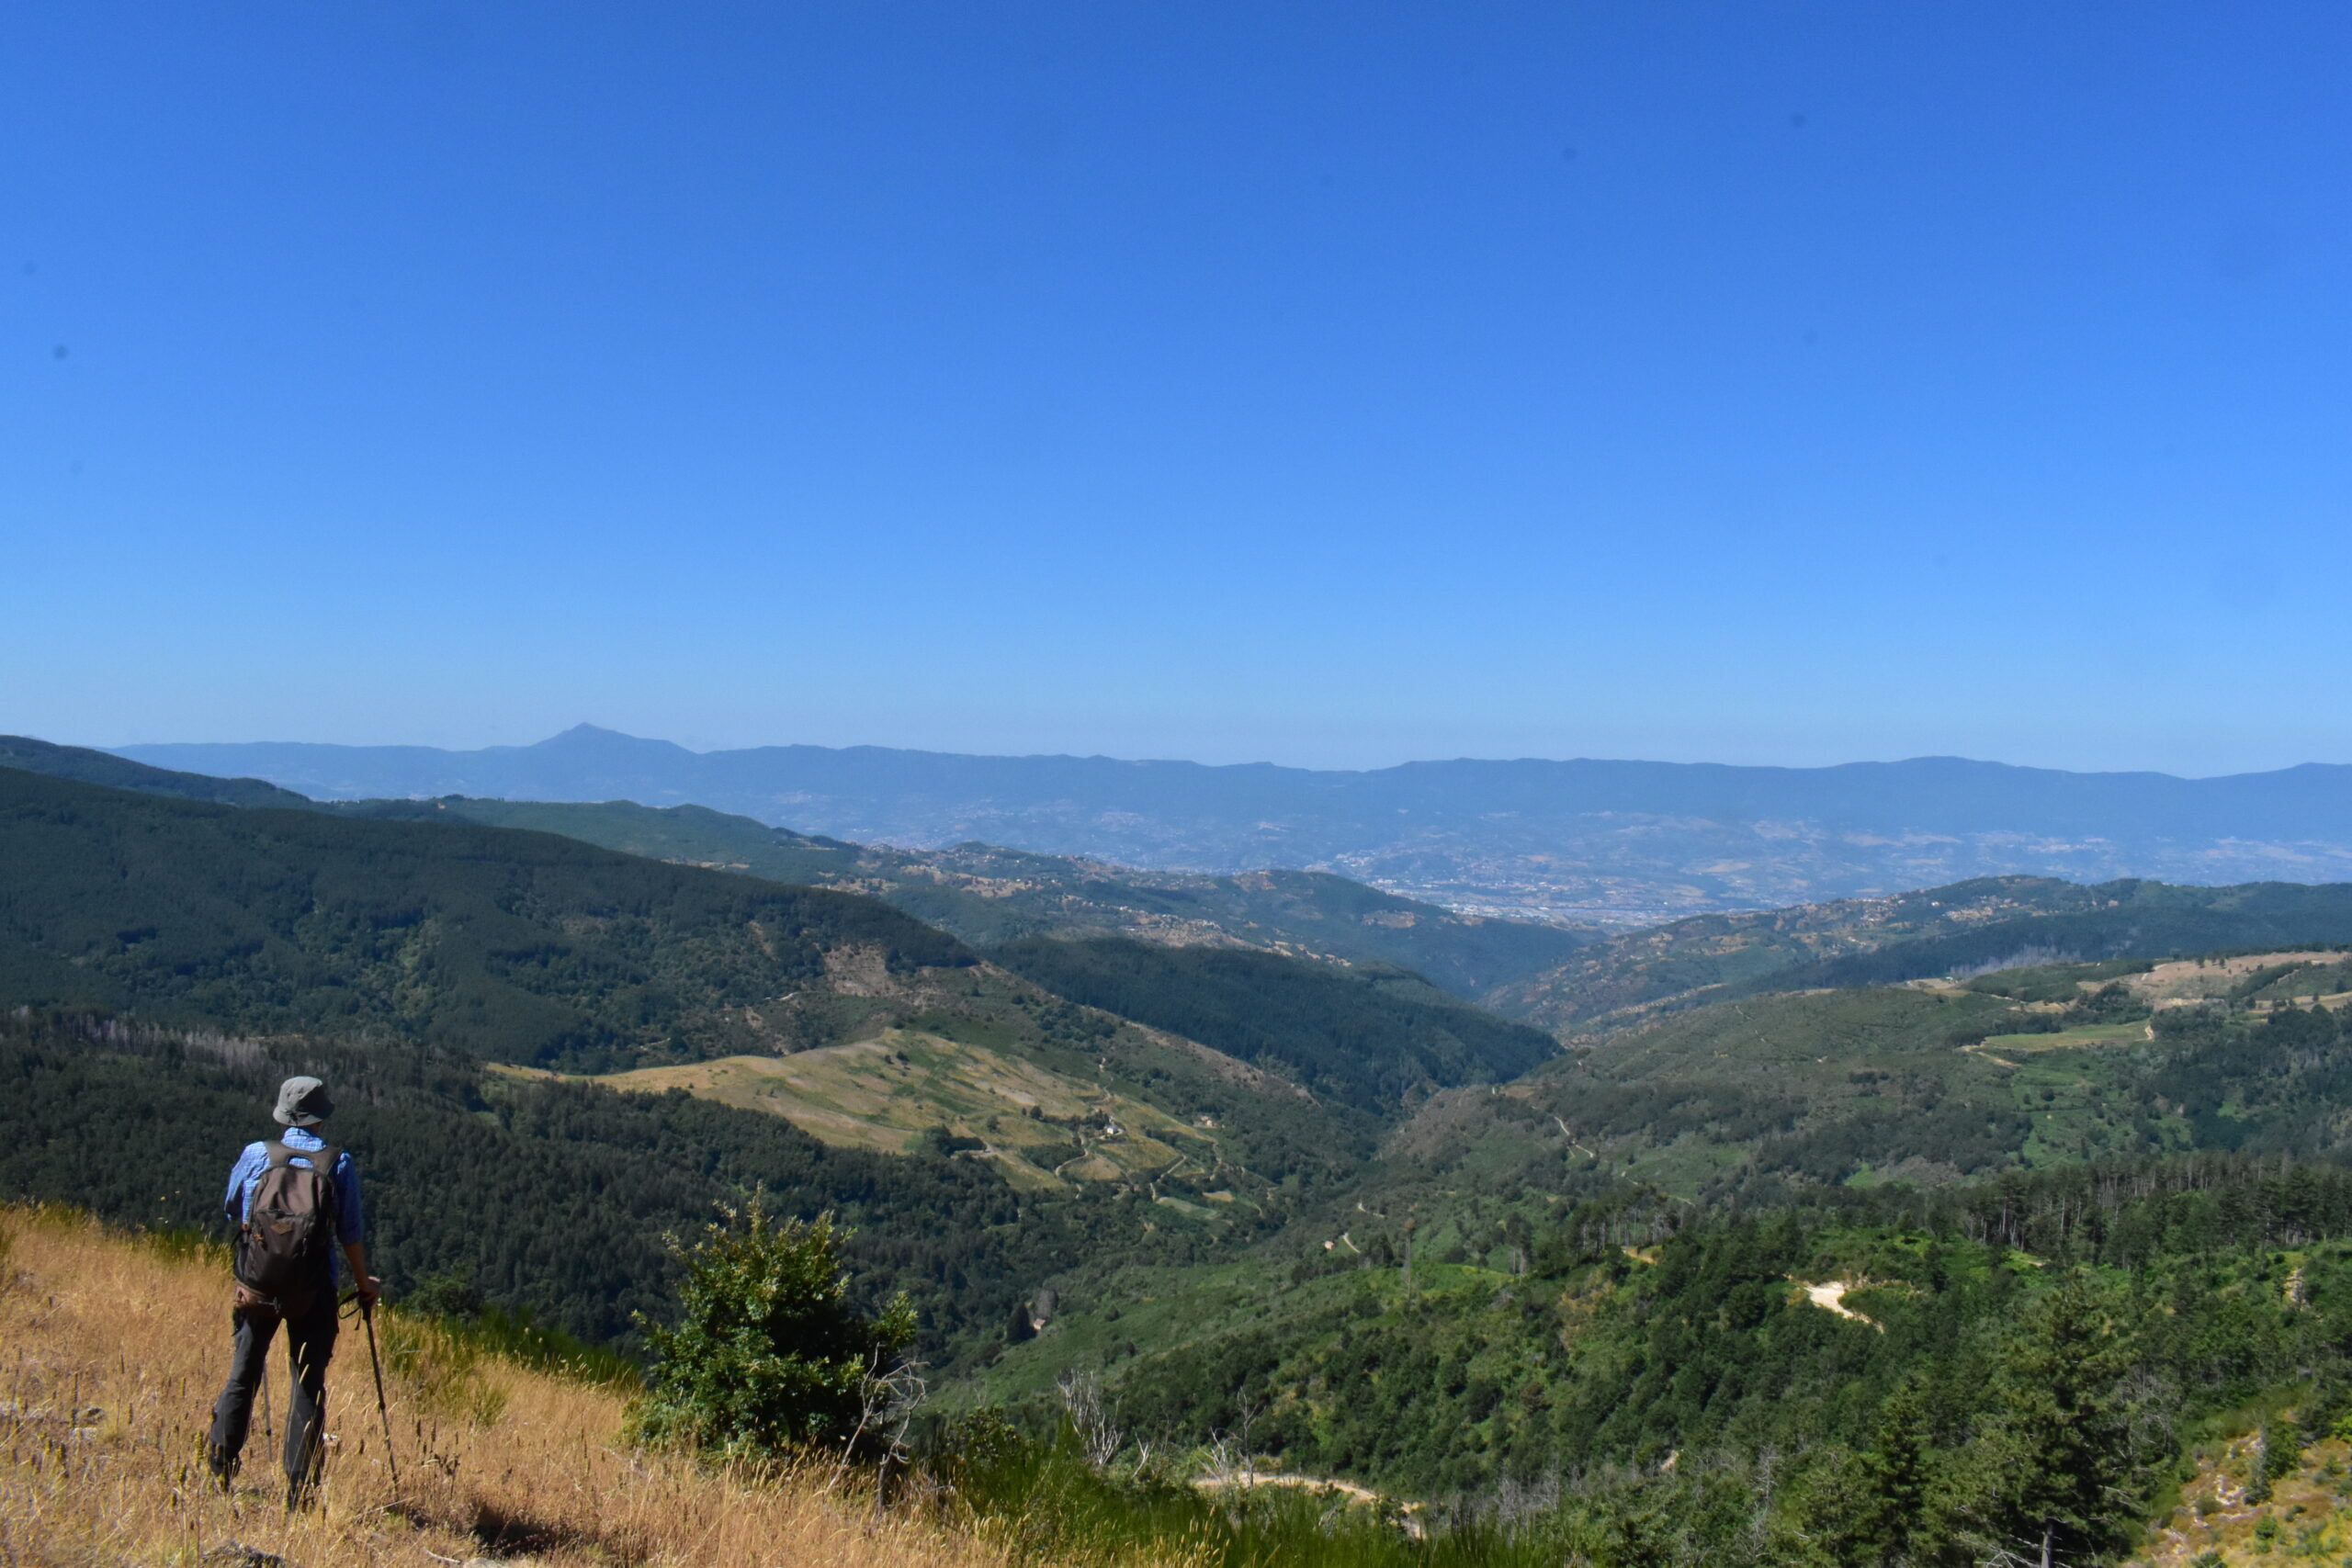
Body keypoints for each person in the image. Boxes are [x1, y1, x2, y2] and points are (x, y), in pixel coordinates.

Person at [206, 1075, 380, 1506]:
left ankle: (219, 1468)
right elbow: (350, 1233)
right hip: (313, 1291)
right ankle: (299, 1491)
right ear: (321, 1117)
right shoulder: (337, 1164)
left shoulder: (256, 1155)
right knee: (307, 1383)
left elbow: (232, 1207)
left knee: (243, 1373)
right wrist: (364, 1285)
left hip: (257, 1283)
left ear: (284, 1114)